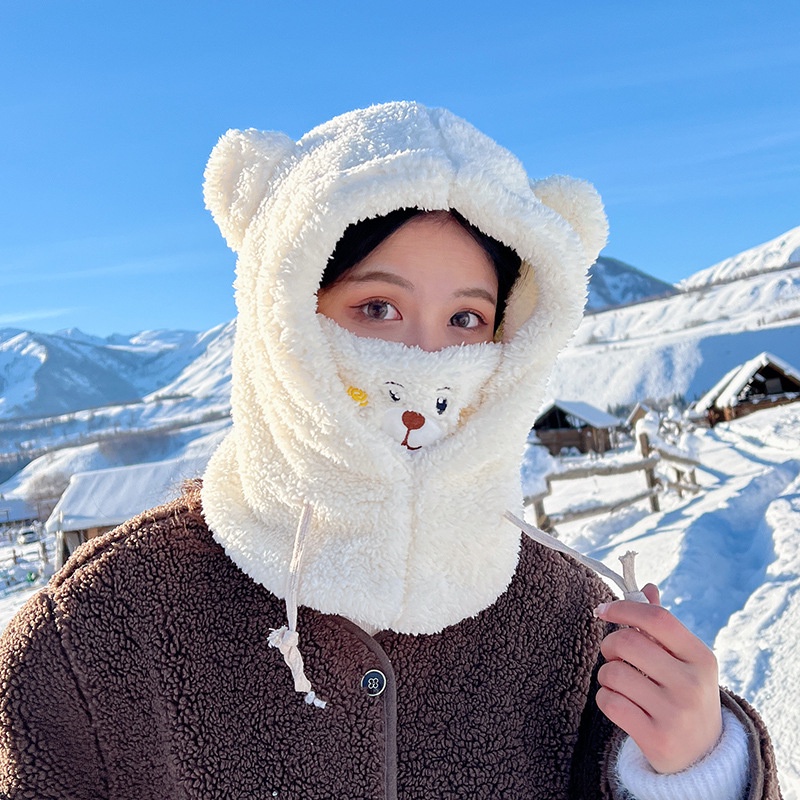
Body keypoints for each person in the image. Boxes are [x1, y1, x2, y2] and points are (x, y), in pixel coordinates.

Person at [0, 102, 780, 799]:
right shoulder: (95, 635)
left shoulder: (575, 622)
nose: (424, 362)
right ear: (287, 315)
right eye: (378, 307)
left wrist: (700, 770)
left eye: (467, 320)